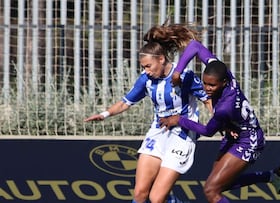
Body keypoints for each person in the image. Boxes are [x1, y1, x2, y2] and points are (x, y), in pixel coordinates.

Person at [84, 25, 211, 203]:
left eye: (148, 66)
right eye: (143, 67)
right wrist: (104, 114)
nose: (146, 71)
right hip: (157, 133)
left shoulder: (184, 76)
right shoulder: (146, 79)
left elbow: (207, 100)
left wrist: (222, 122)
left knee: (157, 198)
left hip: (181, 137)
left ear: (161, 59)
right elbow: (124, 102)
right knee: (140, 193)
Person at [160, 40, 280, 203]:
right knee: (220, 185)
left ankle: (270, 176)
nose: (207, 88)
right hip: (234, 133)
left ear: (223, 83)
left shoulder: (225, 107)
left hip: (249, 140)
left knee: (211, 190)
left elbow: (208, 131)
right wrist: (178, 72)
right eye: (205, 83)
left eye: (212, 85)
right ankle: (270, 176)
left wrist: (178, 120)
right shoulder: (223, 72)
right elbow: (195, 46)